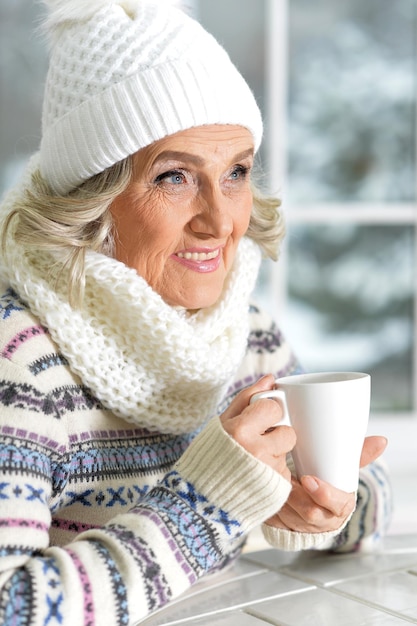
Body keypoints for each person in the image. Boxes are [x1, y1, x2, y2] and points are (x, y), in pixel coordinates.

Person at [0, 1, 391, 624]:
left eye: (235, 172)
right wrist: (209, 504)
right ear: (91, 201)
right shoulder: (20, 360)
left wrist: (314, 503)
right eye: (174, 177)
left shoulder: (250, 336)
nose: (218, 220)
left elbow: (368, 508)